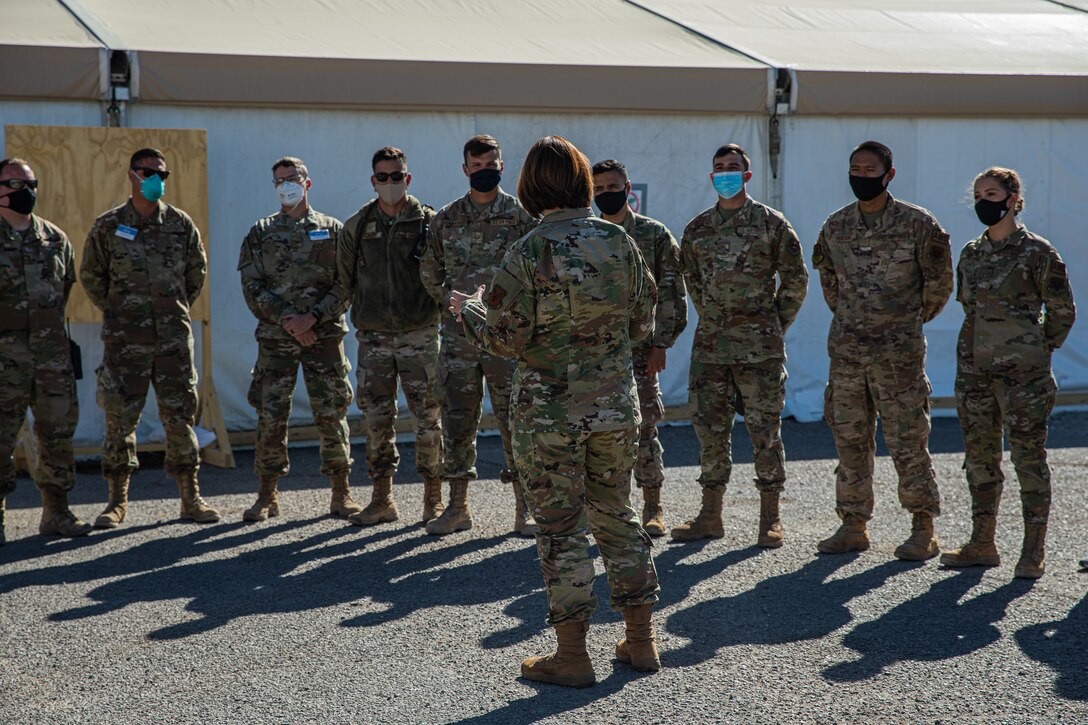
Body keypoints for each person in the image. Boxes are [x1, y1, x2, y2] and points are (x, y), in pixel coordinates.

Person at [452, 136, 661, 688]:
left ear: (531, 185)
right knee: (618, 514)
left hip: (550, 417)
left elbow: (502, 340)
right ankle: (641, 642)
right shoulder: (619, 240)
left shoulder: (528, 250)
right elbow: (644, 324)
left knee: (562, 529)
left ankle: (573, 656)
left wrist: (469, 311)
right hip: (615, 405)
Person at [811, 140, 953, 560]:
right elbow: (829, 282)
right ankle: (853, 525)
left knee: (908, 441)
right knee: (850, 441)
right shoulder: (836, 227)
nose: (861, 175)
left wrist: (901, 323)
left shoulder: (917, 224)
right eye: (855, 168)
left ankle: (922, 527)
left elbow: (939, 286)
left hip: (899, 357)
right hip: (848, 353)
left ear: (889, 175)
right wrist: (859, 321)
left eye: (870, 169)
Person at [940, 167, 1075, 579]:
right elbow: (968, 307)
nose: (985, 201)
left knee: (1028, 460)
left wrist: (1035, 349)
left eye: (993, 193)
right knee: (980, 460)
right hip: (975, 373)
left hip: (1024, 378)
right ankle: (983, 542)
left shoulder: (1038, 253)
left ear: (1014, 199)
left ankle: (1033, 550)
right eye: (979, 194)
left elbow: (1062, 312)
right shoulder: (971, 253)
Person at [671, 144, 807, 547]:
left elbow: (795, 280)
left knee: (765, 432)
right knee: (710, 433)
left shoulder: (771, 224)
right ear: (711, 176)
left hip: (759, 350)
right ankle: (710, 516)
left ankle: (770, 519)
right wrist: (715, 316)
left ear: (747, 176)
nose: (725, 173)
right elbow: (691, 280)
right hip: (711, 350)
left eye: (733, 168)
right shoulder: (697, 229)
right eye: (719, 168)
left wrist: (771, 324)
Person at [81, 148, 219, 526]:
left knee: (180, 419)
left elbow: (196, 274)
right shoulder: (108, 226)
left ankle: (190, 498)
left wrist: (170, 308)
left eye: (162, 173)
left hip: (172, 339)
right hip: (126, 341)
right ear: (132, 175)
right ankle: (116, 502)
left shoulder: (179, 224)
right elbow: (92, 276)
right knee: (120, 421)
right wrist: (121, 311)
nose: (156, 178)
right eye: (149, 171)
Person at [420, 135, 538, 536]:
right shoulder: (447, 218)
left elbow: (538, 270)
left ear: (502, 166)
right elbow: (429, 270)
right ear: (465, 168)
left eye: (492, 162)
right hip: (459, 339)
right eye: (477, 163)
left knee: (515, 421)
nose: (485, 168)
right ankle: (457, 507)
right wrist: (447, 296)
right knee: (457, 421)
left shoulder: (522, 217)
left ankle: (526, 509)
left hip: (506, 339)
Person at [237, 156, 360, 522]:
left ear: (307, 183)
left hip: (323, 336)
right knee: (272, 415)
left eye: (291, 178)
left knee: (331, 413)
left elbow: (346, 284)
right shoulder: (260, 232)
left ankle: (341, 493)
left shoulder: (332, 229)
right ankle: (266, 495)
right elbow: (251, 286)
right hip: (277, 340)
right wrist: (290, 322)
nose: (285, 185)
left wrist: (313, 318)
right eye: (279, 180)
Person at [337, 146, 441, 526]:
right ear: (373, 181)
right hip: (375, 341)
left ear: (407, 178)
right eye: (383, 177)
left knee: (428, 421)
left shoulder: (429, 222)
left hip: (420, 337)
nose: (391, 183)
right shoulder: (358, 226)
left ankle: (434, 500)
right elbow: (343, 283)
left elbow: (442, 278)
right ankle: (382, 500)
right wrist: (317, 320)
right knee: (377, 420)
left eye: (397, 176)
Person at [591, 159, 688, 537]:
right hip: (595, 355)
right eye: (598, 189)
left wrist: (661, 343)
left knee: (644, 429)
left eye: (612, 186)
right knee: (598, 434)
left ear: (628, 187)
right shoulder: (586, 234)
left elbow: (672, 295)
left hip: (640, 351)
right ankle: (607, 509)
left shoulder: (653, 234)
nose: (605, 193)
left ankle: (653, 505)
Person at [0, 158, 92, 543]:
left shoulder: (55, 238)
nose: (27, 190)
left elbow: (66, 287)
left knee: (57, 432)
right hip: (5, 356)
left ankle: (56, 512)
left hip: (50, 353)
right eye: (17, 183)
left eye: (32, 183)